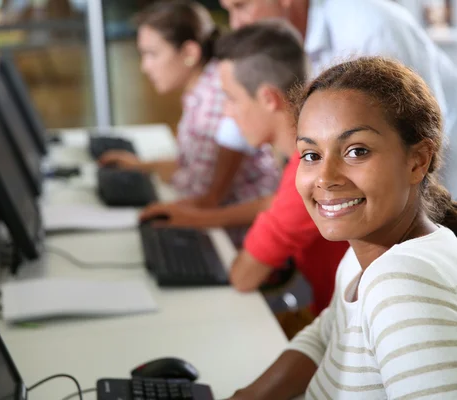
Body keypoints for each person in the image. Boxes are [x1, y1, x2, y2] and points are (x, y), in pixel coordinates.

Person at [228, 56, 457, 400]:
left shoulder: (404, 284)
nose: (325, 177)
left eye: (357, 151)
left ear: (417, 161)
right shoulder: (363, 256)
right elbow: (327, 335)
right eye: (311, 155)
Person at [141, 20, 349, 338]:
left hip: (337, 334)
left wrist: (200, 220)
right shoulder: (312, 147)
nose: (226, 113)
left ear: (268, 98)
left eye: (232, 98)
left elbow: (243, 276)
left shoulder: (313, 176)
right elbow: (273, 203)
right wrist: (199, 218)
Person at [219, 0, 457, 219]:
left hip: (444, 145)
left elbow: (423, 124)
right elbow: (241, 114)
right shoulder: (277, 40)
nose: (236, 23)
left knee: (440, 257)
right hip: (383, 156)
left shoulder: (369, 30)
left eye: (241, 6)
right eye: (228, 10)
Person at [98, 0, 281, 243]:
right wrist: (141, 166)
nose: (145, 67)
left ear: (189, 53)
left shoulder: (214, 99)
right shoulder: (201, 89)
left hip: (238, 239)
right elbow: (194, 167)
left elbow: (204, 197)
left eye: (152, 54)